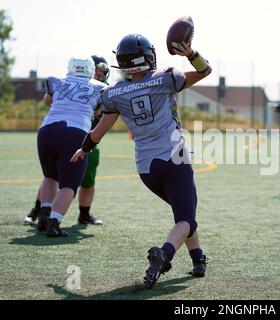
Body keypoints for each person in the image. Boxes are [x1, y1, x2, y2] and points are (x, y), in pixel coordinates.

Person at [71, 34, 212, 289]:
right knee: (186, 219)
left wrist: (84, 149)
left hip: (146, 169)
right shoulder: (165, 77)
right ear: (148, 57)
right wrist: (190, 54)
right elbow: (205, 70)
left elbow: (97, 132)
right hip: (173, 158)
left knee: (183, 213)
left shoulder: (113, 93)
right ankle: (164, 255)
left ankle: (198, 259)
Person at [24, 55, 110, 226]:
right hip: (78, 134)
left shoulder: (57, 81)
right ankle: (53, 222)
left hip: (47, 129)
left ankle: (44, 214)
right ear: (90, 69)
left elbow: (48, 100)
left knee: (50, 176)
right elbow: (99, 112)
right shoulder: (101, 88)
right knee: (69, 185)